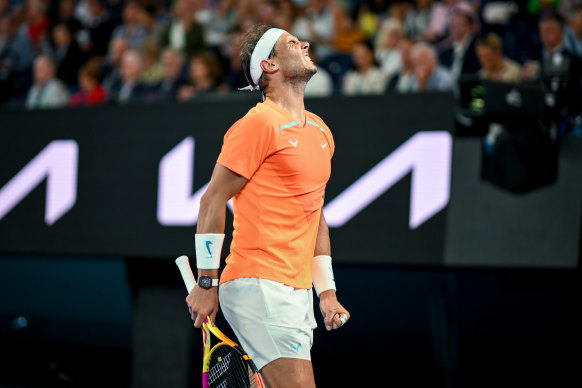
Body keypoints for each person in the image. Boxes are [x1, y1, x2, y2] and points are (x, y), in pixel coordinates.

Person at [185, 24, 350, 388]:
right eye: (292, 43)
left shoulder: (321, 131)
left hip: (296, 293)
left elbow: (314, 216)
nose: (304, 43)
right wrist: (206, 281)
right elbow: (212, 199)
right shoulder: (258, 123)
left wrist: (327, 293)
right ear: (269, 65)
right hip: (258, 283)